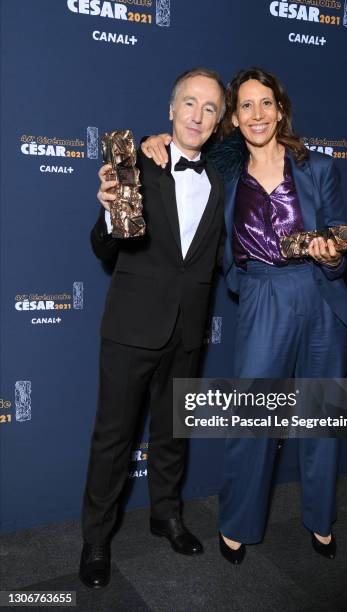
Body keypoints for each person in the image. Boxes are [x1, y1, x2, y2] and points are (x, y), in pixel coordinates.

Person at [142, 67, 347, 566]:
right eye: (245, 106)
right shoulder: (224, 173)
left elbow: (342, 240)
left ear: (280, 110)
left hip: (322, 297)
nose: (256, 114)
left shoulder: (318, 168)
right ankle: (238, 522)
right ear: (233, 120)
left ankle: (321, 519)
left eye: (266, 104)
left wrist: (332, 254)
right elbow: (177, 148)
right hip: (263, 293)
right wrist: (152, 140)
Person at [80, 67, 226, 589]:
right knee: (113, 440)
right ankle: (96, 539)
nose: (198, 116)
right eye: (190, 103)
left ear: (218, 122)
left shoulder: (223, 178)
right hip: (130, 326)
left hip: (188, 330)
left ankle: (166, 514)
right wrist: (104, 214)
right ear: (170, 110)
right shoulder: (136, 164)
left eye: (210, 109)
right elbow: (103, 247)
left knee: (173, 433)